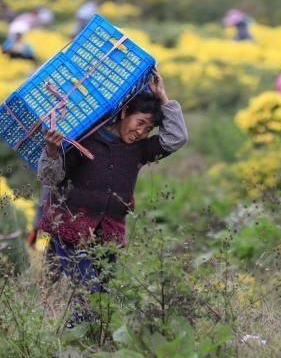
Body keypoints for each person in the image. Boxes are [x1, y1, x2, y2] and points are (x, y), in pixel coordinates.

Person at [33, 71, 187, 327]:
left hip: (108, 234)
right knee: (88, 293)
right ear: (125, 113)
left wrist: (163, 98)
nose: (141, 132)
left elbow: (177, 138)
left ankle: (82, 341)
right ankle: (74, 344)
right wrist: (51, 150)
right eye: (140, 122)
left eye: (148, 129)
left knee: (102, 297)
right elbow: (50, 179)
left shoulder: (139, 150)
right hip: (70, 227)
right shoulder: (85, 139)